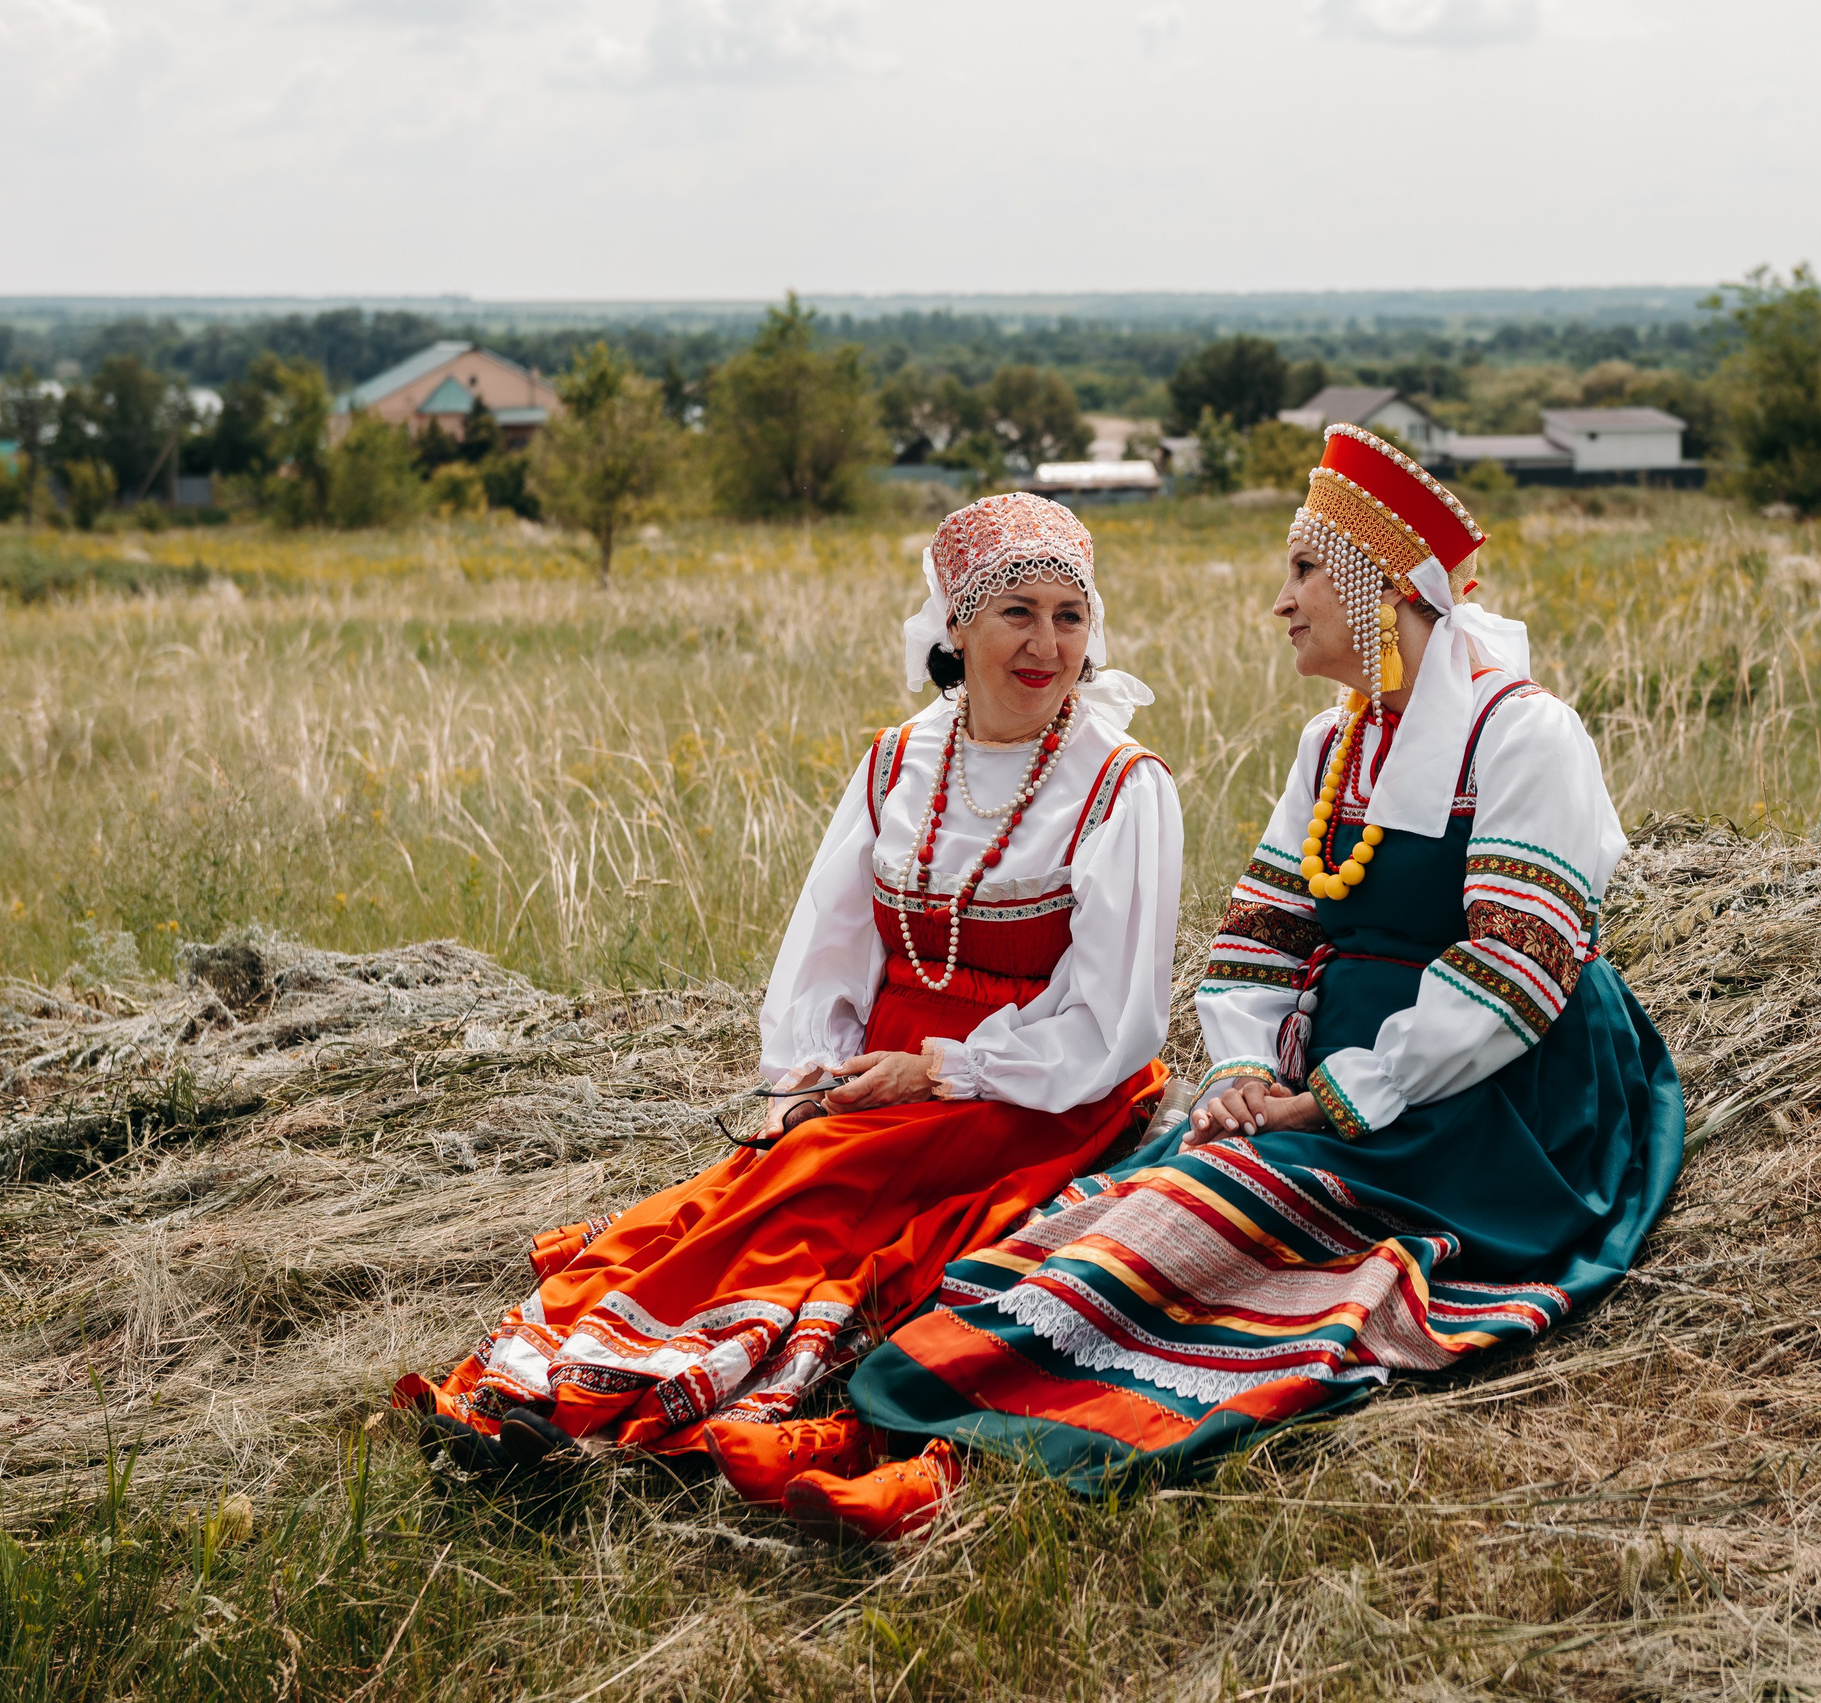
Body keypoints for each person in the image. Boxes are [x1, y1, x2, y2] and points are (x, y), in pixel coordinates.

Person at [777, 426, 1688, 1541]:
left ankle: (952, 1468)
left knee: (1193, 1239)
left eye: (1304, 570)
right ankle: (874, 1427)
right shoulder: (1331, 744)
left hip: (1490, 1100)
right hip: (1336, 1080)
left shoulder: (1523, 733)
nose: (1282, 601)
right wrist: (1247, 1069)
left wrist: (1336, 1097)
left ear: (1378, 584)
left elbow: (1517, 963)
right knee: (1080, 1223)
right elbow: (1259, 937)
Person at [392, 492, 1182, 1506]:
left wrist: (942, 1069)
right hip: (883, 1073)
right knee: (748, 1188)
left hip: (1036, 1087)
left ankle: (616, 1417)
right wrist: (807, 1076)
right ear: (955, 624)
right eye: (1016, 613)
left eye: (1069, 617)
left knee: (816, 1201)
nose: (1047, 645)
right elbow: (827, 953)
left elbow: (1115, 1020)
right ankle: (543, 1399)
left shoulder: (1121, 785)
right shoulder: (900, 762)